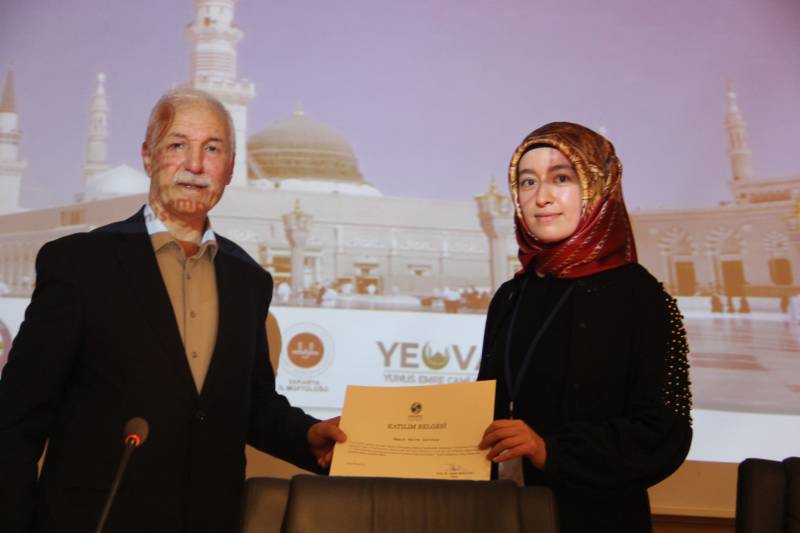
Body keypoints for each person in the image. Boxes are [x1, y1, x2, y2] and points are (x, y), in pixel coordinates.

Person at [0, 88, 345, 533]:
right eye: (178, 145)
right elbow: (17, 420)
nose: (195, 165)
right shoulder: (81, 264)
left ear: (230, 169)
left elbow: (249, 403)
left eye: (213, 149)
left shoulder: (248, 280)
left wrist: (307, 436)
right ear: (148, 156)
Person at [477, 122, 692, 532]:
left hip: (597, 519)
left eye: (561, 178)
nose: (541, 197)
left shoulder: (638, 294)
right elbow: (488, 403)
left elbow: (664, 432)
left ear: (598, 186)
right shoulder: (511, 295)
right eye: (527, 182)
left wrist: (550, 450)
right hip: (506, 514)